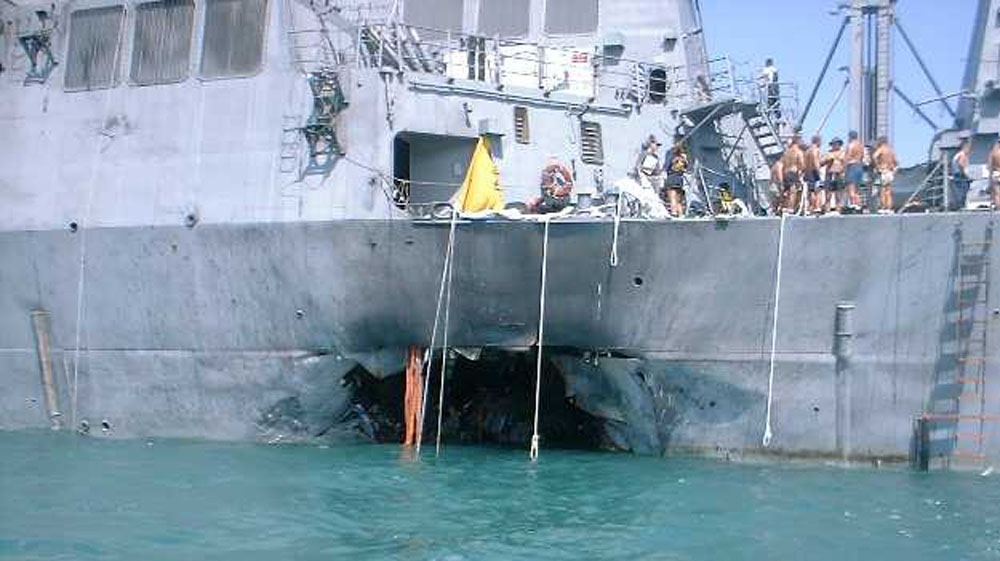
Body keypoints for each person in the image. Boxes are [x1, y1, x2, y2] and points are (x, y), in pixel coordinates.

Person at [871, 137, 899, 214]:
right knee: (888, 191)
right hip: (890, 172)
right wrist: (894, 171)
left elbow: (874, 156)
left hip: (883, 170)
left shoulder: (881, 149)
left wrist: (877, 166)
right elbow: (896, 162)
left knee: (882, 190)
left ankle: (883, 207)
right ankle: (889, 208)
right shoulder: (891, 151)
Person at [780, 134, 804, 214]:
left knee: (786, 191)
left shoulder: (787, 152)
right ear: (797, 141)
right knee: (793, 191)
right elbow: (802, 164)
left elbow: (783, 163)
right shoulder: (798, 152)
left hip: (785, 173)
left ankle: (784, 207)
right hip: (793, 172)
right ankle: (791, 208)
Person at [821, 137, 846, 214]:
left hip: (839, 174)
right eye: (834, 144)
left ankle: (838, 210)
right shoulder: (828, 153)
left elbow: (846, 163)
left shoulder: (843, 153)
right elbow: (821, 163)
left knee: (839, 193)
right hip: (829, 174)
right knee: (828, 194)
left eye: (837, 144)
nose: (835, 145)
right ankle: (827, 210)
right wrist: (827, 159)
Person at [664, 141, 689, 217]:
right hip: (680, 179)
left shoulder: (672, 157)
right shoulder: (684, 159)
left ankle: (674, 213)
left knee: (672, 198)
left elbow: (667, 167)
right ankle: (681, 215)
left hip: (672, 178)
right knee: (679, 201)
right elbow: (686, 168)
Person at [844, 131, 865, 212]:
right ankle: (858, 206)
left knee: (851, 188)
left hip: (852, 166)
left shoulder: (850, 145)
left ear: (850, 136)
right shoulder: (861, 145)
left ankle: (853, 205)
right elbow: (862, 156)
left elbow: (847, 157)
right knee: (857, 190)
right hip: (859, 166)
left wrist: (844, 168)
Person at [804, 135, 824, 214]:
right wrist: (819, 172)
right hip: (814, 172)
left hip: (808, 172)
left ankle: (811, 207)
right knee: (818, 190)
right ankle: (817, 207)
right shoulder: (815, 150)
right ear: (818, 141)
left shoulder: (807, 151)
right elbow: (816, 161)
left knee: (811, 191)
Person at [951, 139, 973, 211]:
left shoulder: (957, 155)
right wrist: (967, 176)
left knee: (958, 194)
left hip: (956, 176)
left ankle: (959, 207)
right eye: (969, 147)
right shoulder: (962, 155)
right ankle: (961, 207)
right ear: (965, 147)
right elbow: (961, 165)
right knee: (963, 194)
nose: (970, 150)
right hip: (961, 177)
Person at [989, 138, 1000, 210]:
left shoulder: (993, 152)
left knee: (997, 194)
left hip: (996, 173)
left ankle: (999, 209)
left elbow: (989, 166)